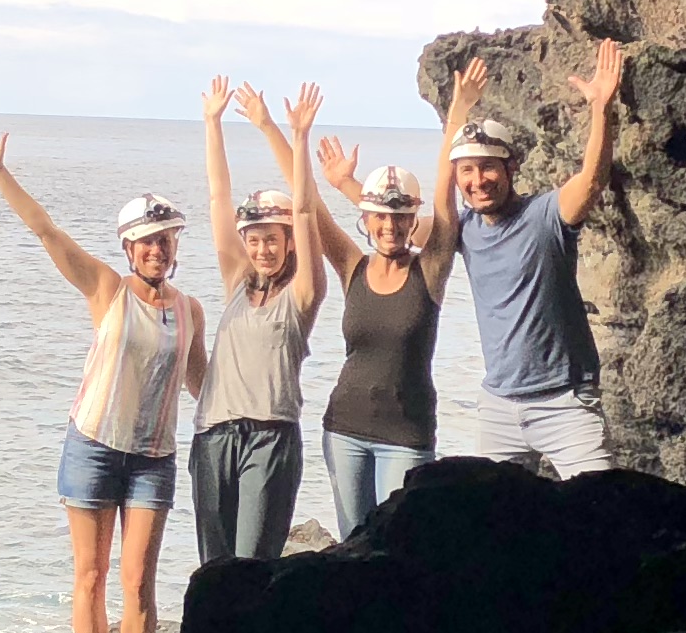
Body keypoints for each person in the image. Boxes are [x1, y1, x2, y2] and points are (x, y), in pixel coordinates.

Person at [0, 123, 203, 633]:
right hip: (93, 445)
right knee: (91, 576)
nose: (157, 249)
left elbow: (203, 382)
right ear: (128, 247)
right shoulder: (106, 289)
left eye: (166, 239)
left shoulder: (189, 309)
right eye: (147, 240)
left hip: (153, 456)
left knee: (139, 580)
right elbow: (46, 231)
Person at [438, 40, 625, 476]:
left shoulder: (545, 216)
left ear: (511, 168)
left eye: (489, 168)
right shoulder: (464, 229)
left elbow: (592, 182)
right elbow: (415, 212)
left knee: (600, 512)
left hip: (565, 402)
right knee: (496, 528)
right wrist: (457, 111)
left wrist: (601, 109)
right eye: (467, 170)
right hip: (498, 406)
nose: (478, 180)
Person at [186, 78, 328, 566]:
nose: (262, 250)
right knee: (215, 569)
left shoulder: (302, 294)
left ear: (288, 242)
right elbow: (217, 198)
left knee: (251, 567)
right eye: (255, 240)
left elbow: (307, 210)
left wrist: (300, 137)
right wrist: (212, 122)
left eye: (273, 239)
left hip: (270, 436)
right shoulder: (235, 283)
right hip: (213, 436)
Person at [305, 131, 453, 532]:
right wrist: (287, 134)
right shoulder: (352, 266)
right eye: (381, 217)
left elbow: (445, 201)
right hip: (344, 430)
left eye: (402, 217)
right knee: (351, 548)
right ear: (366, 219)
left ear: (413, 220)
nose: (391, 226)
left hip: (407, 435)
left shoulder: (430, 269)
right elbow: (309, 207)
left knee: (398, 547)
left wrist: (456, 115)